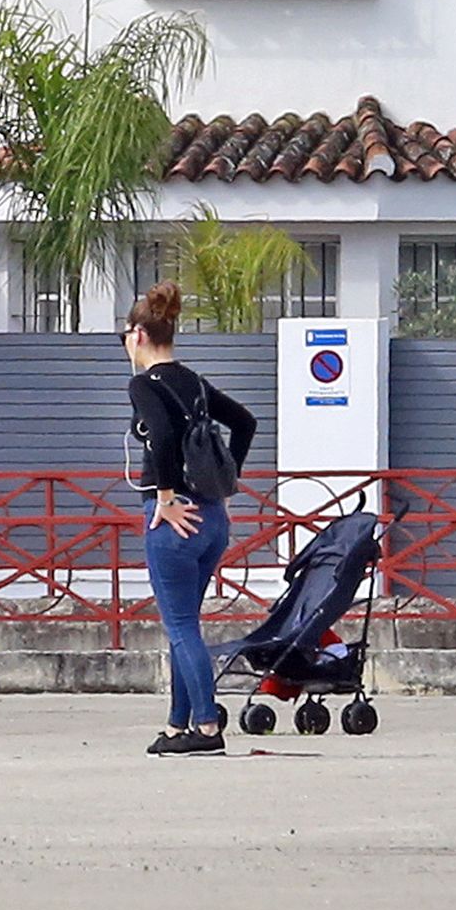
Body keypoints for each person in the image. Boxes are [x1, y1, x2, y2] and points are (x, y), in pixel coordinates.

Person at [123, 280, 258, 757]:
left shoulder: (144, 383)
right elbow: (244, 422)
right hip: (212, 518)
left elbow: (159, 434)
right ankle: (178, 726)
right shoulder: (195, 382)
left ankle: (206, 726)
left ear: (138, 334)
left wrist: (163, 496)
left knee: (180, 626)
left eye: (125, 334)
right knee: (186, 624)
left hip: (175, 522)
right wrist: (224, 485)